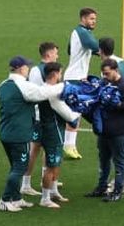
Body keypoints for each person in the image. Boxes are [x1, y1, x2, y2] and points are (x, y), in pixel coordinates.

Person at [0, 54, 70, 214]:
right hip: (19, 134)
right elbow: (43, 93)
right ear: (21, 69)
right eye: (26, 67)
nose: (28, 69)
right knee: (19, 168)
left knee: (15, 166)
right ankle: (5, 200)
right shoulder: (23, 86)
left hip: (5, 132)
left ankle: (16, 198)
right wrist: (64, 87)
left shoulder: (2, 85)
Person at [31, 62, 79, 210]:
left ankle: (53, 191)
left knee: (54, 164)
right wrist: (80, 110)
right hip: (53, 132)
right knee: (51, 166)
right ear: (56, 74)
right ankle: (45, 198)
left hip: (44, 129)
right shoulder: (54, 95)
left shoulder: (43, 90)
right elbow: (69, 116)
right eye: (60, 73)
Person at [87, 58, 124, 201]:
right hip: (105, 131)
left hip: (120, 132)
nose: (104, 76)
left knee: (119, 162)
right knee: (103, 161)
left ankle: (117, 191)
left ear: (116, 71)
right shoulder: (104, 84)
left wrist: (116, 104)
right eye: (103, 74)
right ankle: (101, 188)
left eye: (107, 73)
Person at [62, 7, 99, 159]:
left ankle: (71, 145)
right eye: (91, 19)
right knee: (74, 113)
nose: (94, 22)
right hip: (74, 79)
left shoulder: (79, 33)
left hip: (78, 77)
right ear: (83, 18)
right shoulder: (82, 32)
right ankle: (68, 146)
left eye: (95, 20)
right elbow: (96, 47)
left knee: (79, 111)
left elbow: (70, 50)